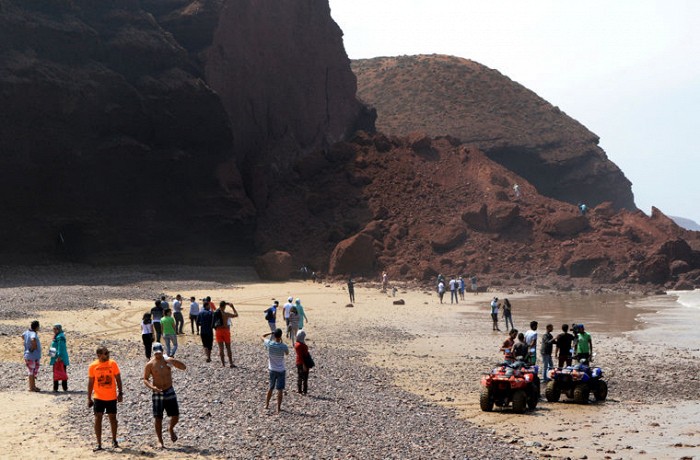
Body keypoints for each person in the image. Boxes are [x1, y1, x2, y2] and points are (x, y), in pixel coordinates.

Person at [143, 343, 186, 448]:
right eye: (156, 353)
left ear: (162, 351)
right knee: (158, 417)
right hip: (157, 391)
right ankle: (160, 440)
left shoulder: (168, 361)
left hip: (169, 389)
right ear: (154, 353)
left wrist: (174, 361)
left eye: (160, 353)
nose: (158, 355)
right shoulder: (150, 364)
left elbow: (183, 367)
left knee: (175, 415)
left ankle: (170, 428)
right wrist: (152, 388)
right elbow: (145, 379)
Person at [87, 346, 123, 451]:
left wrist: (120, 393)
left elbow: (118, 378)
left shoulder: (113, 364)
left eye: (108, 353)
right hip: (98, 397)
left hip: (111, 397)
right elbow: (90, 382)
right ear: (99, 355)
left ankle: (114, 440)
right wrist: (89, 398)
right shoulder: (93, 366)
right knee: (98, 418)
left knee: (113, 419)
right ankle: (99, 444)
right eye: (105, 353)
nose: (108, 355)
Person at [262, 328, 289, 414]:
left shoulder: (270, 344)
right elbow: (287, 353)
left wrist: (270, 332)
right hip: (281, 370)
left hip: (272, 369)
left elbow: (261, 336)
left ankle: (267, 404)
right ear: (280, 336)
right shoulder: (283, 346)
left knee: (270, 387)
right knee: (280, 389)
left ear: (274, 335)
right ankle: (278, 408)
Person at [215, 301, 239, 368]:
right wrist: (232, 307)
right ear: (224, 307)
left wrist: (225, 303)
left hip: (218, 331)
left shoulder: (216, 313)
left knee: (221, 348)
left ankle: (223, 364)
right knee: (228, 347)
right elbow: (236, 314)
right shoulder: (226, 314)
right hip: (225, 330)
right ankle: (231, 363)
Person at [22, 320, 42, 392]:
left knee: (32, 372)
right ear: (36, 327)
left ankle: (33, 387)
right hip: (32, 355)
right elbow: (33, 339)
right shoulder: (33, 333)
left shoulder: (27, 332)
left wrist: (26, 343)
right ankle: (31, 387)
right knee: (31, 372)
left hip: (29, 355)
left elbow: (22, 336)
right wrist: (33, 347)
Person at [50, 323, 70, 392]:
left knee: (62, 371)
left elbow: (60, 347)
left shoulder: (60, 337)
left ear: (59, 329)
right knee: (56, 371)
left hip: (59, 358)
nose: (54, 330)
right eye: (54, 329)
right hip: (55, 357)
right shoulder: (56, 336)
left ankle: (64, 387)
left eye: (55, 329)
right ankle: (56, 388)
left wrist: (59, 356)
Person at [294, 330, 311, 395]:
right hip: (304, 363)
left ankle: (299, 390)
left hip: (298, 362)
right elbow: (303, 356)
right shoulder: (303, 346)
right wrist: (304, 365)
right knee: (305, 377)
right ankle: (305, 391)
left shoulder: (296, 344)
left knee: (299, 376)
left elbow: (299, 355)